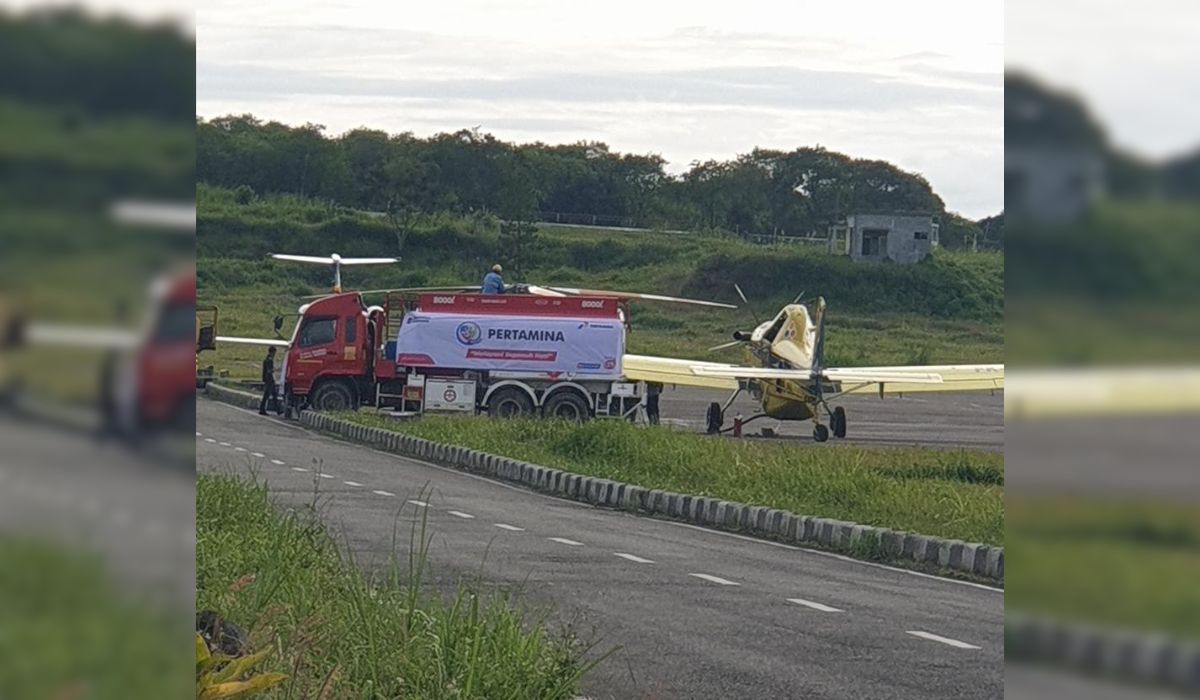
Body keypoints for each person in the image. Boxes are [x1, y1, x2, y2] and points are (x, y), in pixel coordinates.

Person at [259, 347, 280, 415]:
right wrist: (276, 370)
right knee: (273, 395)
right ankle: (277, 409)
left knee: (267, 395)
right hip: (269, 379)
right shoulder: (270, 360)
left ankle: (263, 409)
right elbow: (269, 370)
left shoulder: (266, 359)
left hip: (267, 379)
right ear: (273, 352)